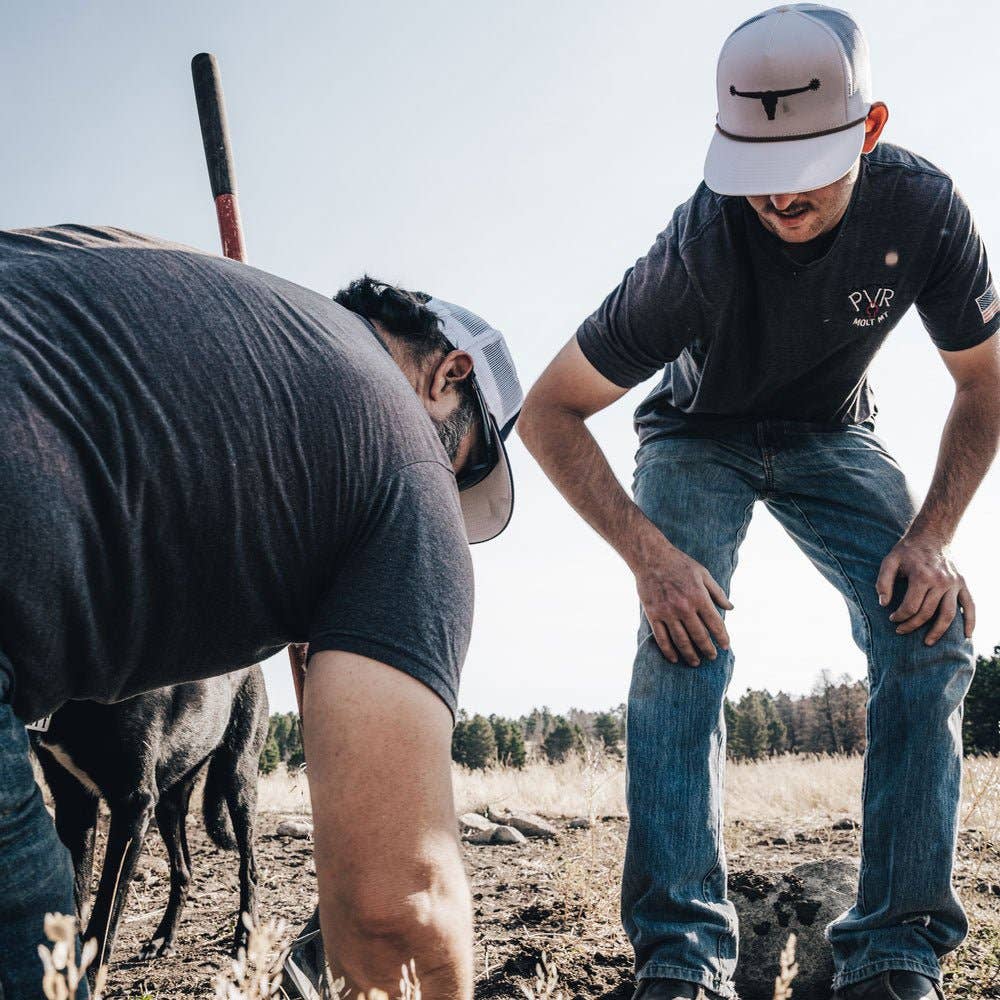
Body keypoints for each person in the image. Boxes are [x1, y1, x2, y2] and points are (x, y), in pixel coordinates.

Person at [518, 6, 1000, 1000]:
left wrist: (933, 538)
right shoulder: (695, 247)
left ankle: (896, 947)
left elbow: (986, 380)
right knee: (681, 639)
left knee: (931, 624)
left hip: (833, 430)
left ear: (867, 131)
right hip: (697, 433)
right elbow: (549, 411)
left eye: (807, 165)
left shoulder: (922, 213)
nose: (776, 194)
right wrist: (649, 558)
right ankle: (682, 957)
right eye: (754, 168)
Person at [0, 224, 523, 1000]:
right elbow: (398, 920)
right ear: (449, 375)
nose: (451, 490)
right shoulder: (409, 463)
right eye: (471, 462)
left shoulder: (169, 275)